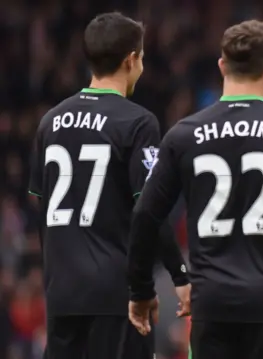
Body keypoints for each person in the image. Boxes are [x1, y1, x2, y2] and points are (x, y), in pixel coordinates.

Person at [126, 20, 263, 359]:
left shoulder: (183, 135)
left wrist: (140, 289)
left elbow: (145, 214)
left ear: (222, 66)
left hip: (212, 308)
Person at [28, 12, 191, 359]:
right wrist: (178, 275)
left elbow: (40, 208)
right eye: (142, 58)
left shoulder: (50, 122)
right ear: (131, 60)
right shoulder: (137, 121)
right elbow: (151, 208)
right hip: (114, 295)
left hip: (61, 295)